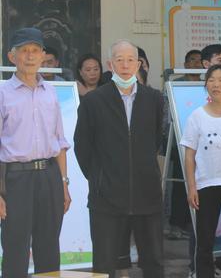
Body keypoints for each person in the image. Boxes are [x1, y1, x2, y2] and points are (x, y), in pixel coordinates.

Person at [74, 40, 164, 278]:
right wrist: (99, 177)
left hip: (147, 193)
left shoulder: (154, 99)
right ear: (110, 64)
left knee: (153, 261)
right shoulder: (94, 101)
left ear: (138, 64)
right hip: (107, 196)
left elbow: (155, 140)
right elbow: (82, 146)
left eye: (130, 60)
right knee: (104, 263)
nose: (125, 65)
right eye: (119, 60)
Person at [0, 27, 71, 277]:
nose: (30, 56)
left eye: (35, 51)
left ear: (43, 56)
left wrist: (63, 183)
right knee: (15, 247)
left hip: (49, 176)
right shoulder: (2, 93)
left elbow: (60, 142)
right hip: (16, 179)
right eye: (24, 51)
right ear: (12, 57)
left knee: (49, 246)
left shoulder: (51, 92)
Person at [181, 64, 221, 278]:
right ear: (205, 85)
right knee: (205, 241)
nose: (216, 84)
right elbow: (189, 155)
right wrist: (192, 187)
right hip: (207, 184)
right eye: (211, 80)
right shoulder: (196, 117)